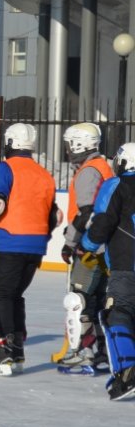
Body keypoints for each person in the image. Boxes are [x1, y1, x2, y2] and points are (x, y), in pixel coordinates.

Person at [0, 122, 60, 376]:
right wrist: (41, 236)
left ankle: (5, 351)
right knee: (14, 295)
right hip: (36, 246)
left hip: (11, 242)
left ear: (9, 143)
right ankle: (16, 349)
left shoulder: (6, 168)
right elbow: (52, 214)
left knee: (0, 295)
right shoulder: (44, 174)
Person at [79, 143, 135, 400]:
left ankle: (127, 370)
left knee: (117, 314)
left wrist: (86, 245)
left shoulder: (116, 185)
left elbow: (104, 221)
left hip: (127, 264)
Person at [57, 122, 113, 371]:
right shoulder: (103, 167)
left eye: (70, 144)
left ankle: (83, 350)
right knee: (98, 300)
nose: (68, 149)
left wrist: (70, 242)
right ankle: (102, 350)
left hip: (89, 247)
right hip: (104, 247)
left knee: (79, 299)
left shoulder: (89, 171)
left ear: (80, 143)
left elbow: (86, 211)